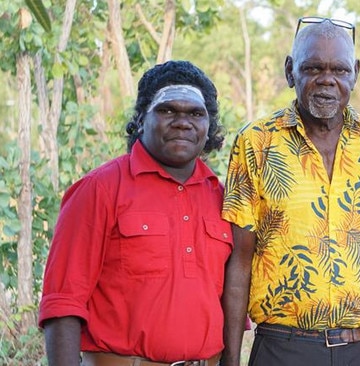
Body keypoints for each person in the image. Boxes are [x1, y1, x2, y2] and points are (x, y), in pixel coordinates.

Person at [220, 16, 360, 366]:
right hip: (284, 346)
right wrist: (230, 359)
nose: (327, 81)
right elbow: (240, 261)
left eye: (339, 70)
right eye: (313, 68)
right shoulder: (257, 142)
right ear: (290, 71)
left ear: (355, 72)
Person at [38, 60, 231, 366]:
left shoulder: (222, 198)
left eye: (196, 113)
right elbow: (63, 303)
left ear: (209, 128)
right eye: (168, 111)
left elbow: (228, 305)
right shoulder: (99, 189)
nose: (183, 122)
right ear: (141, 120)